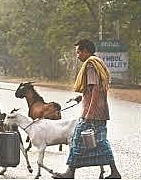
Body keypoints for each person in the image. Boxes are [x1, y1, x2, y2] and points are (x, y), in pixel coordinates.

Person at [52, 39, 121, 179]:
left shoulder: (90, 65)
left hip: (92, 113)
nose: (77, 55)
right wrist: (81, 97)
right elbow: (93, 89)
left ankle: (70, 172)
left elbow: (95, 89)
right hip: (101, 111)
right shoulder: (98, 62)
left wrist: (89, 112)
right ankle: (114, 172)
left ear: (85, 51)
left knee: (77, 139)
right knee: (101, 141)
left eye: (78, 52)